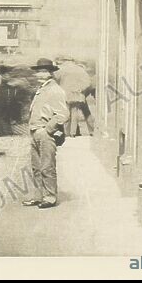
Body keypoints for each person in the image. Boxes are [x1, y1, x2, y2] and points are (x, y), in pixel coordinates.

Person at [23, 58, 70, 209]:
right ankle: (38, 196)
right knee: (36, 167)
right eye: (38, 71)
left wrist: (48, 130)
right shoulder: (42, 88)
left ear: (50, 73)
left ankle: (50, 198)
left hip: (44, 132)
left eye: (42, 71)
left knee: (47, 167)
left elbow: (62, 114)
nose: (38, 74)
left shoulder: (55, 90)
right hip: (35, 131)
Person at [56, 58, 93, 137]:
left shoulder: (61, 69)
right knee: (76, 113)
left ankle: (67, 133)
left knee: (66, 113)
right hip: (78, 94)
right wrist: (81, 89)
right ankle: (74, 133)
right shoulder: (80, 69)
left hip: (65, 95)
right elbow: (88, 82)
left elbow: (55, 80)